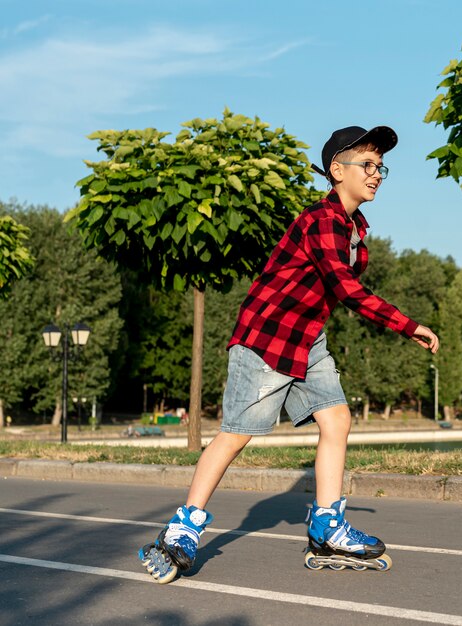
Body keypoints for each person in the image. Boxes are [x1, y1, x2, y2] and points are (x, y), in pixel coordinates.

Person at [138, 125, 440, 582]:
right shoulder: (321, 219)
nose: (377, 174)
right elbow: (345, 287)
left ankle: (326, 526)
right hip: (266, 339)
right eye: (368, 165)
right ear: (337, 171)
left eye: (381, 167)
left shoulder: (354, 227)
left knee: (337, 419)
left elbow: (335, 290)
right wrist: (407, 324)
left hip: (307, 341)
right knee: (236, 434)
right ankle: (181, 529)